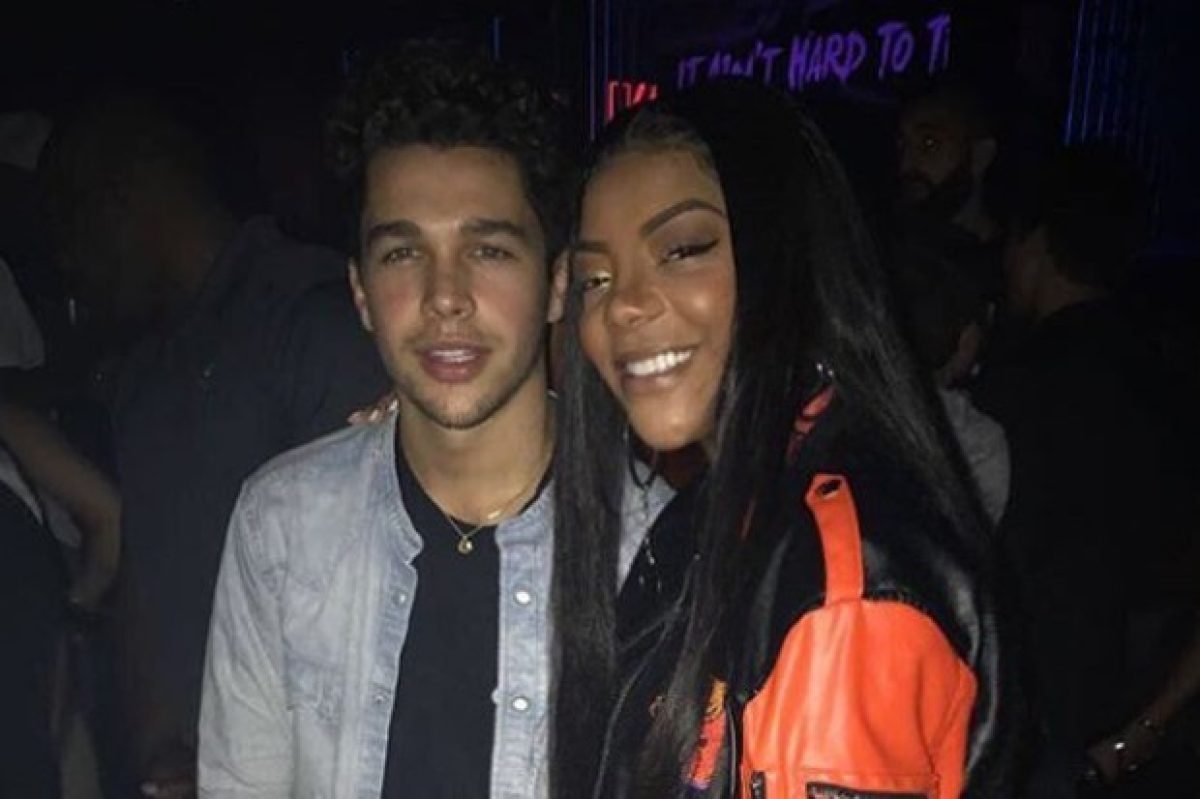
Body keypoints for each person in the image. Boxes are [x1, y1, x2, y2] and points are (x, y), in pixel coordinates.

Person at [198, 43, 669, 798]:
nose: (444, 295)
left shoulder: (653, 544)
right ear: (361, 292)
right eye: (402, 254)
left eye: (488, 250)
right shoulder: (283, 524)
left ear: (557, 283)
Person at [551, 82, 1012, 798]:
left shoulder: (841, 591)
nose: (624, 305)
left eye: (682, 250)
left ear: (790, 256)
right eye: (596, 278)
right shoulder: (726, 505)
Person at [38, 93, 388, 794]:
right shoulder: (144, 368)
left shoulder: (313, 323)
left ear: (124, 196)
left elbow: (370, 609)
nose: (68, 262)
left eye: (71, 224)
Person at [976, 145, 1195, 797]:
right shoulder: (1166, 373)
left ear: (1035, 243)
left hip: (1036, 714)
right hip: (1136, 712)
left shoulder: (1017, 388)